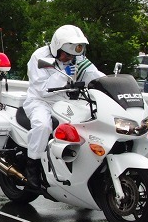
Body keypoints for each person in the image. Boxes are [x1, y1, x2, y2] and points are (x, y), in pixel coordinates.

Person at [22, 24, 104, 191]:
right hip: (41, 102)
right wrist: (64, 73)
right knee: (43, 125)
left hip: (67, 101)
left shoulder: (77, 58)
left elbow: (94, 75)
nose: (69, 58)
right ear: (57, 47)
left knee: (87, 128)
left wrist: (110, 83)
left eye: (73, 54)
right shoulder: (40, 57)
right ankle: (33, 167)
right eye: (66, 54)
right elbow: (42, 89)